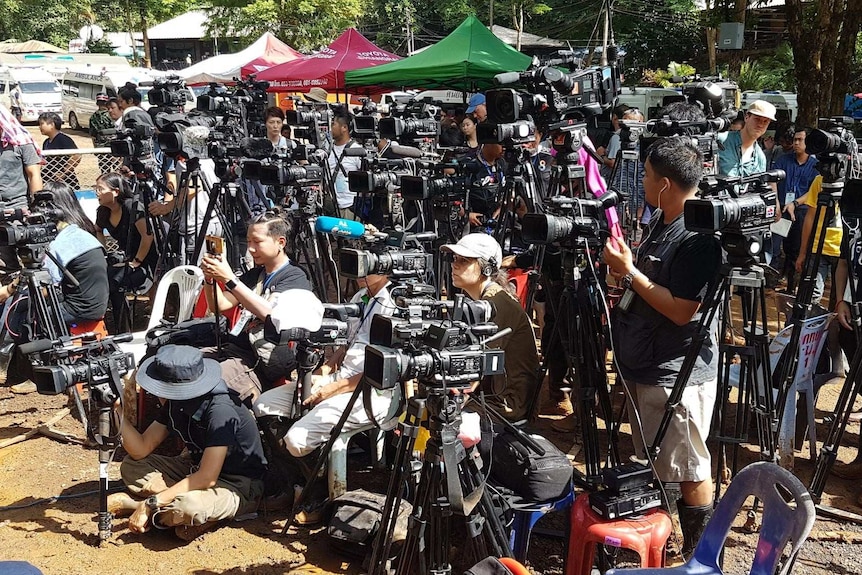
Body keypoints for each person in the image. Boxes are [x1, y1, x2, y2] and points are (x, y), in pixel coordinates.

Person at [604, 137, 722, 556]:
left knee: (690, 467)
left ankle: (702, 555)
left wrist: (629, 271)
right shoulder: (663, 218)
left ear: (666, 184)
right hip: (647, 359)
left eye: (649, 176)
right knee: (659, 460)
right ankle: (666, 539)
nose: (644, 182)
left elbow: (681, 311)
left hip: (677, 371)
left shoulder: (697, 237)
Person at [253, 272, 398, 523]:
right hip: (340, 378)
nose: (359, 271)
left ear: (385, 266)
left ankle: (323, 498)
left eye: (367, 264)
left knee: (297, 440)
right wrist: (323, 372)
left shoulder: (395, 305)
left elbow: (389, 368)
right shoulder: (361, 296)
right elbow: (346, 345)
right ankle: (301, 483)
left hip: (374, 391)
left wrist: (333, 388)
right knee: (264, 405)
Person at [108, 345, 266, 542]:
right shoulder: (177, 403)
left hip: (237, 484)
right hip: (196, 469)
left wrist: (151, 503)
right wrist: (117, 413)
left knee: (189, 507)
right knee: (132, 466)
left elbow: (208, 478)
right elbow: (141, 449)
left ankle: (144, 506)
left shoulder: (220, 411)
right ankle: (178, 509)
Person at [0, 181, 110, 392]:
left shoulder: (61, 242)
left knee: (26, 313)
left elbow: (45, 285)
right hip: (93, 302)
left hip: (81, 309)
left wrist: (13, 289)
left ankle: (34, 373)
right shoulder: (78, 231)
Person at [199, 210, 312, 405]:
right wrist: (210, 279)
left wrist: (229, 278)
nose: (250, 248)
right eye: (248, 241)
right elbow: (220, 304)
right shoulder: (255, 274)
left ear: (280, 242)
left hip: (259, 362)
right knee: (178, 367)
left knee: (202, 386)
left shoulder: (295, 277)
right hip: (234, 350)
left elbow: (271, 314)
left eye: (257, 242)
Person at [443, 233, 539, 421]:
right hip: (492, 395)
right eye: (455, 258)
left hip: (505, 402)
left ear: (486, 268)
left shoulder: (495, 304)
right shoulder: (486, 299)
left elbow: (473, 373)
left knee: (442, 415)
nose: (454, 264)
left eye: (464, 260)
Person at [94, 172, 156, 333]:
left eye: (101, 189)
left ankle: (123, 331)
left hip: (148, 259)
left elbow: (148, 236)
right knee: (103, 277)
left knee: (115, 282)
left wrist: (136, 261)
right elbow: (98, 230)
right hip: (128, 257)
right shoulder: (103, 211)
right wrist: (104, 254)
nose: (97, 193)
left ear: (115, 191)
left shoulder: (132, 206)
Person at [771, 126, 819, 287]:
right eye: (795, 139)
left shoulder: (816, 165)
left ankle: (791, 286)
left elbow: (814, 190)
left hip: (802, 212)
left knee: (796, 250)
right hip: (782, 211)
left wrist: (796, 203)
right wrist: (776, 203)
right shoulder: (783, 160)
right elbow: (773, 181)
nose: (796, 143)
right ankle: (771, 283)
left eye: (800, 140)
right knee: (774, 247)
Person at [0, 106, 42, 274]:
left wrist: (37, 208)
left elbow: (34, 175)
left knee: (33, 260)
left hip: (20, 209)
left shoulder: (22, 142)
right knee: (6, 265)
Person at [717, 100, 774, 178]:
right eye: (757, 119)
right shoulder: (721, 140)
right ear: (747, 117)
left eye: (765, 121)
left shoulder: (760, 158)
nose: (760, 125)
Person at [326, 112, 363, 219]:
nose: (331, 128)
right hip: (331, 207)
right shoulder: (327, 149)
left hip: (350, 207)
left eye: (334, 124)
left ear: (344, 128)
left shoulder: (357, 150)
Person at [39, 112, 80, 190]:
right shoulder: (46, 142)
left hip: (67, 182)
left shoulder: (63, 139)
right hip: (52, 180)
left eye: (42, 124)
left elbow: (76, 156)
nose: (40, 127)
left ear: (52, 125)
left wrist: (64, 172)